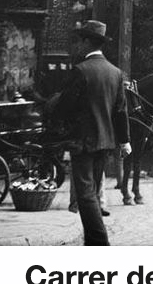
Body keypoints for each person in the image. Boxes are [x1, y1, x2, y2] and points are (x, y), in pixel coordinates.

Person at [48, 20, 130, 245]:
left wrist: (60, 129)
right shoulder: (115, 73)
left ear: (86, 42)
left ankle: (99, 242)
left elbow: (65, 106)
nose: (77, 46)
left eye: (79, 41)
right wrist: (124, 142)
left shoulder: (81, 71)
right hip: (106, 142)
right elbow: (121, 111)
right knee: (92, 191)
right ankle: (93, 241)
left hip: (82, 142)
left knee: (85, 194)